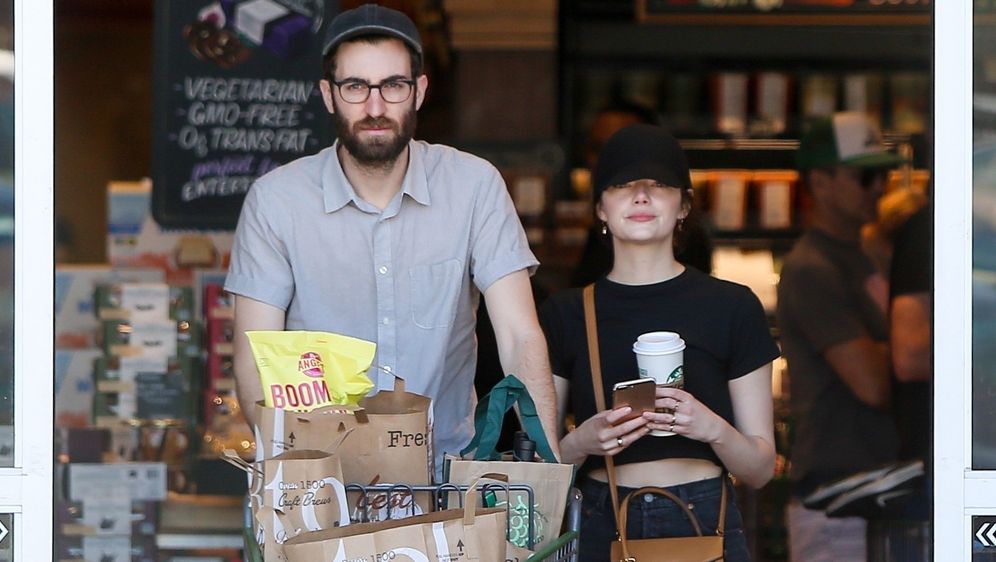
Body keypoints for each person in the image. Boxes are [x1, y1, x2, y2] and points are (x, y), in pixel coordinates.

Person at [224, 4, 560, 477]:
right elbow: (255, 355)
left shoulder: (473, 186)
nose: (376, 108)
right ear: (328, 95)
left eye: (393, 85)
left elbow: (519, 335)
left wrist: (545, 472)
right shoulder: (277, 202)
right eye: (356, 87)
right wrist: (291, 482)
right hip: (324, 482)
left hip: (443, 478)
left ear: (419, 91)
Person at [539, 124, 779, 562]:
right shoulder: (568, 313)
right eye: (622, 185)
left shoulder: (733, 307)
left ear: (684, 205)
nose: (641, 196)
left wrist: (711, 428)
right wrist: (582, 442)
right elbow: (536, 468)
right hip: (600, 516)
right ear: (600, 209)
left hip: (706, 514)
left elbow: (761, 469)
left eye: (660, 184)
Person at [777, 111, 901, 561]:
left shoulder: (869, 253)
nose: (879, 188)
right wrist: (908, 352)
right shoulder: (812, 268)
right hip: (837, 496)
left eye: (883, 175)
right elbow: (873, 382)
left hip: (876, 487)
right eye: (865, 176)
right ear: (820, 182)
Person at [571, 100, 712, 287]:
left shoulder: (681, 236)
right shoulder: (567, 309)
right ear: (601, 208)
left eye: (659, 184)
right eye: (597, 149)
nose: (610, 158)